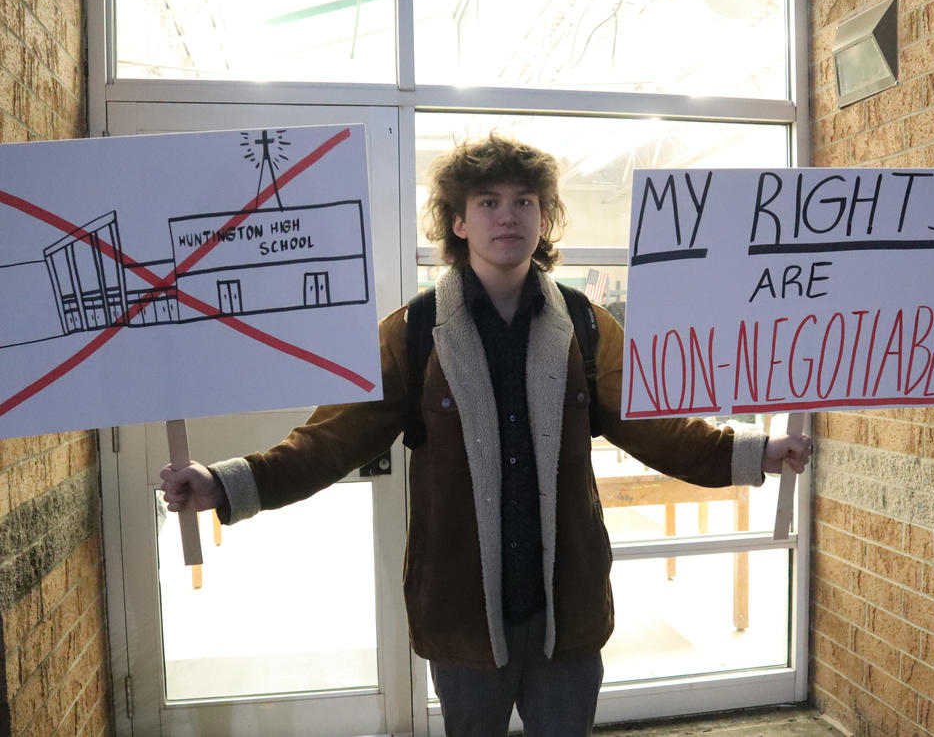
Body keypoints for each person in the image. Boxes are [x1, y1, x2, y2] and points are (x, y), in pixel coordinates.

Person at [160, 132, 811, 737]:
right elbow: (329, 441)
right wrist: (223, 483)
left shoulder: (585, 326)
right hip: (463, 617)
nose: (508, 215)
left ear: (543, 217)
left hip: (567, 612)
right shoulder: (412, 333)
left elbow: (658, 430)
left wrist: (757, 451)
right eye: (489, 201)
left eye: (524, 201)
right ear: (459, 221)